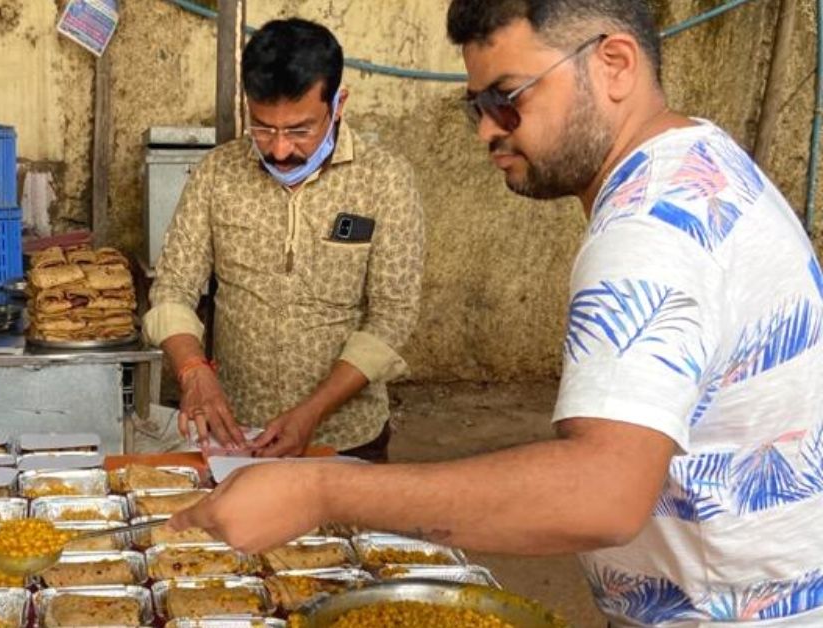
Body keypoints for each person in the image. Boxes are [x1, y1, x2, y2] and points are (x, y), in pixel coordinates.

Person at [172, 0, 823, 625]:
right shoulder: (696, 169)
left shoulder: (651, 230)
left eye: (508, 97)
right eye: (477, 106)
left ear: (615, 65)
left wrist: (318, 491)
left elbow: (602, 492)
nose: (487, 129)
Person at [144, 18, 425, 461]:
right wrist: (194, 371)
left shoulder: (384, 181)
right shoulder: (218, 173)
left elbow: (392, 317)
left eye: (299, 130)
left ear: (338, 104)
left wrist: (312, 412)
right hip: (235, 434)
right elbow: (173, 287)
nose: (278, 149)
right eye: (262, 128)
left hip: (345, 437)